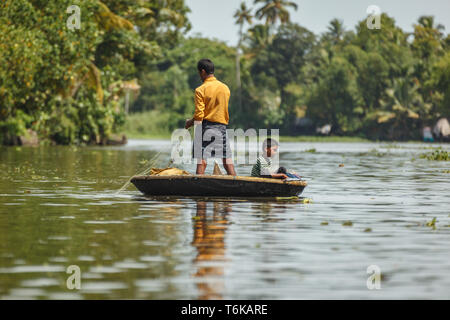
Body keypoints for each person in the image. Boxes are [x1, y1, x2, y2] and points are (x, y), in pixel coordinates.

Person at [185, 59, 236, 176]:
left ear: (202, 72)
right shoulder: (225, 88)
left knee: (201, 161)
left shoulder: (200, 90)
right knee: (227, 160)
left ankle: (198, 187)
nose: (200, 76)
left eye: (199, 73)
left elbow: (199, 116)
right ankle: (236, 185)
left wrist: (189, 122)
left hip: (205, 127)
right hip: (222, 128)